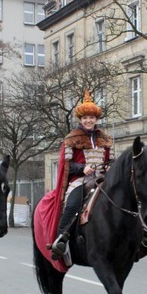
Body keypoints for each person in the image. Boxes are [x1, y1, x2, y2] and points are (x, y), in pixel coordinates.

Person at [50, 90, 114, 265]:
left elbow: (112, 160)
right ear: (80, 119)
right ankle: (60, 239)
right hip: (80, 180)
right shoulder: (72, 138)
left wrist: (109, 165)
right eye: (85, 118)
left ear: (96, 119)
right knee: (72, 205)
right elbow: (67, 164)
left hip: (102, 179)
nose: (88, 120)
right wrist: (82, 168)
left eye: (91, 117)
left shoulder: (106, 139)